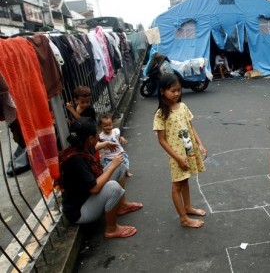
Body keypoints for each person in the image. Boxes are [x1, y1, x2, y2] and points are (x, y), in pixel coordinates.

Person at [58, 118, 143, 239]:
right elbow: (94, 189)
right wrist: (112, 166)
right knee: (113, 187)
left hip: (87, 198)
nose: (99, 136)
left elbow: (97, 146)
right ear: (90, 139)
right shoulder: (76, 160)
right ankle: (111, 229)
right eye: (96, 135)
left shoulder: (81, 146)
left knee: (120, 165)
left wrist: (107, 144)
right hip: (80, 211)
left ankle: (122, 205)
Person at [153, 73, 207, 228]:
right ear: (163, 91)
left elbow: (191, 127)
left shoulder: (183, 107)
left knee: (185, 179)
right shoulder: (161, 114)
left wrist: (200, 144)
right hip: (176, 155)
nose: (177, 93)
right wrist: (177, 158)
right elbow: (162, 141)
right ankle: (183, 218)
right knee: (177, 185)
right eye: (173, 91)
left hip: (189, 150)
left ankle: (188, 207)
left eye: (179, 90)